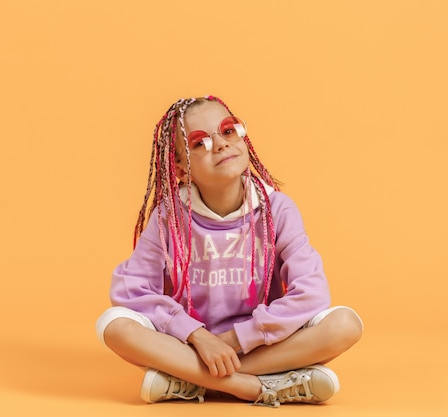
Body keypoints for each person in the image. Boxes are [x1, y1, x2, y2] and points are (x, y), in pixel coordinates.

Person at [95, 95, 363, 407]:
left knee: (345, 324)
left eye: (227, 131)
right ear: (181, 169)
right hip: (189, 345)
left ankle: (189, 380)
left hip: (260, 344)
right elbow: (131, 290)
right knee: (114, 325)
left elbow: (311, 293)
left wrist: (236, 339)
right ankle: (256, 387)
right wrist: (198, 337)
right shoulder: (170, 216)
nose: (221, 144)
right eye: (198, 143)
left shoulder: (277, 209)